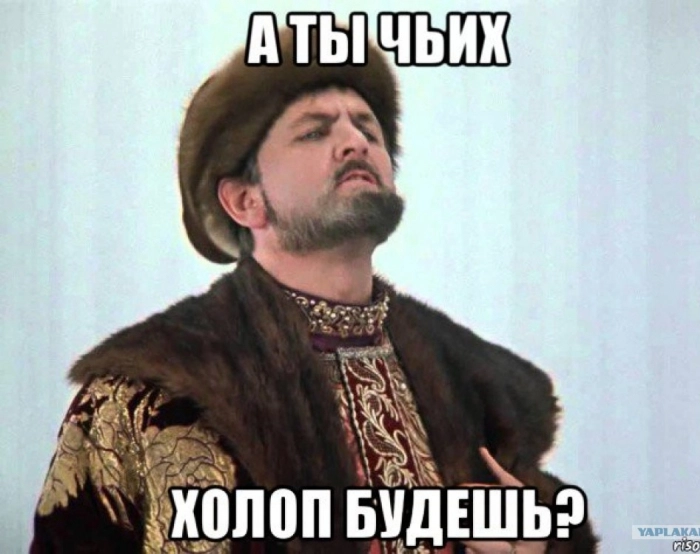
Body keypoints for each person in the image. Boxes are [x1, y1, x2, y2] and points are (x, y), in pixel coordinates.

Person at [31, 26, 599, 554]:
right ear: (245, 201)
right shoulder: (143, 396)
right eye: (314, 131)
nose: (355, 141)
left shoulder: (475, 390)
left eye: (368, 128)